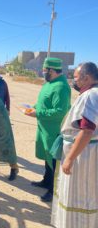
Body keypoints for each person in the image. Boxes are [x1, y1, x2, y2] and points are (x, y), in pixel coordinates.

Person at [51, 62, 98, 228]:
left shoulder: (89, 96)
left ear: (86, 78)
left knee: (78, 195)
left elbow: (87, 130)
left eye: (76, 77)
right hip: (87, 152)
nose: (74, 81)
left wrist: (70, 158)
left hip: (82, 156)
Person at [25, 57, 71, 202]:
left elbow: (60, 111)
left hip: (53, 130)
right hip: (44, 128)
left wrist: (37, 113)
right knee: (47, 157)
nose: (43, 72)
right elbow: (43, 103)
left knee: (54, 160)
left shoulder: (61, 87)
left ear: (51, 70)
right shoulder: (50, 83)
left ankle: (53, 190)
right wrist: (33, 107)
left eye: (45, 70)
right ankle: (46, 181)